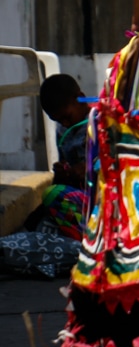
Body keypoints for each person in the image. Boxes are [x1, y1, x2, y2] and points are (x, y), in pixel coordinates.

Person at [0, 74, 89, 278]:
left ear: (81, 98)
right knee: (43, 225)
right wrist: (64, 173)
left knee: (53, 195)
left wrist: (88, 168)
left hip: (102, 203)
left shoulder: (101, 123)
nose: (65, 123)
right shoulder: (63, 131)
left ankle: (88, 246)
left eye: (67, 117)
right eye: (58, 120)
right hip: (77, 204)